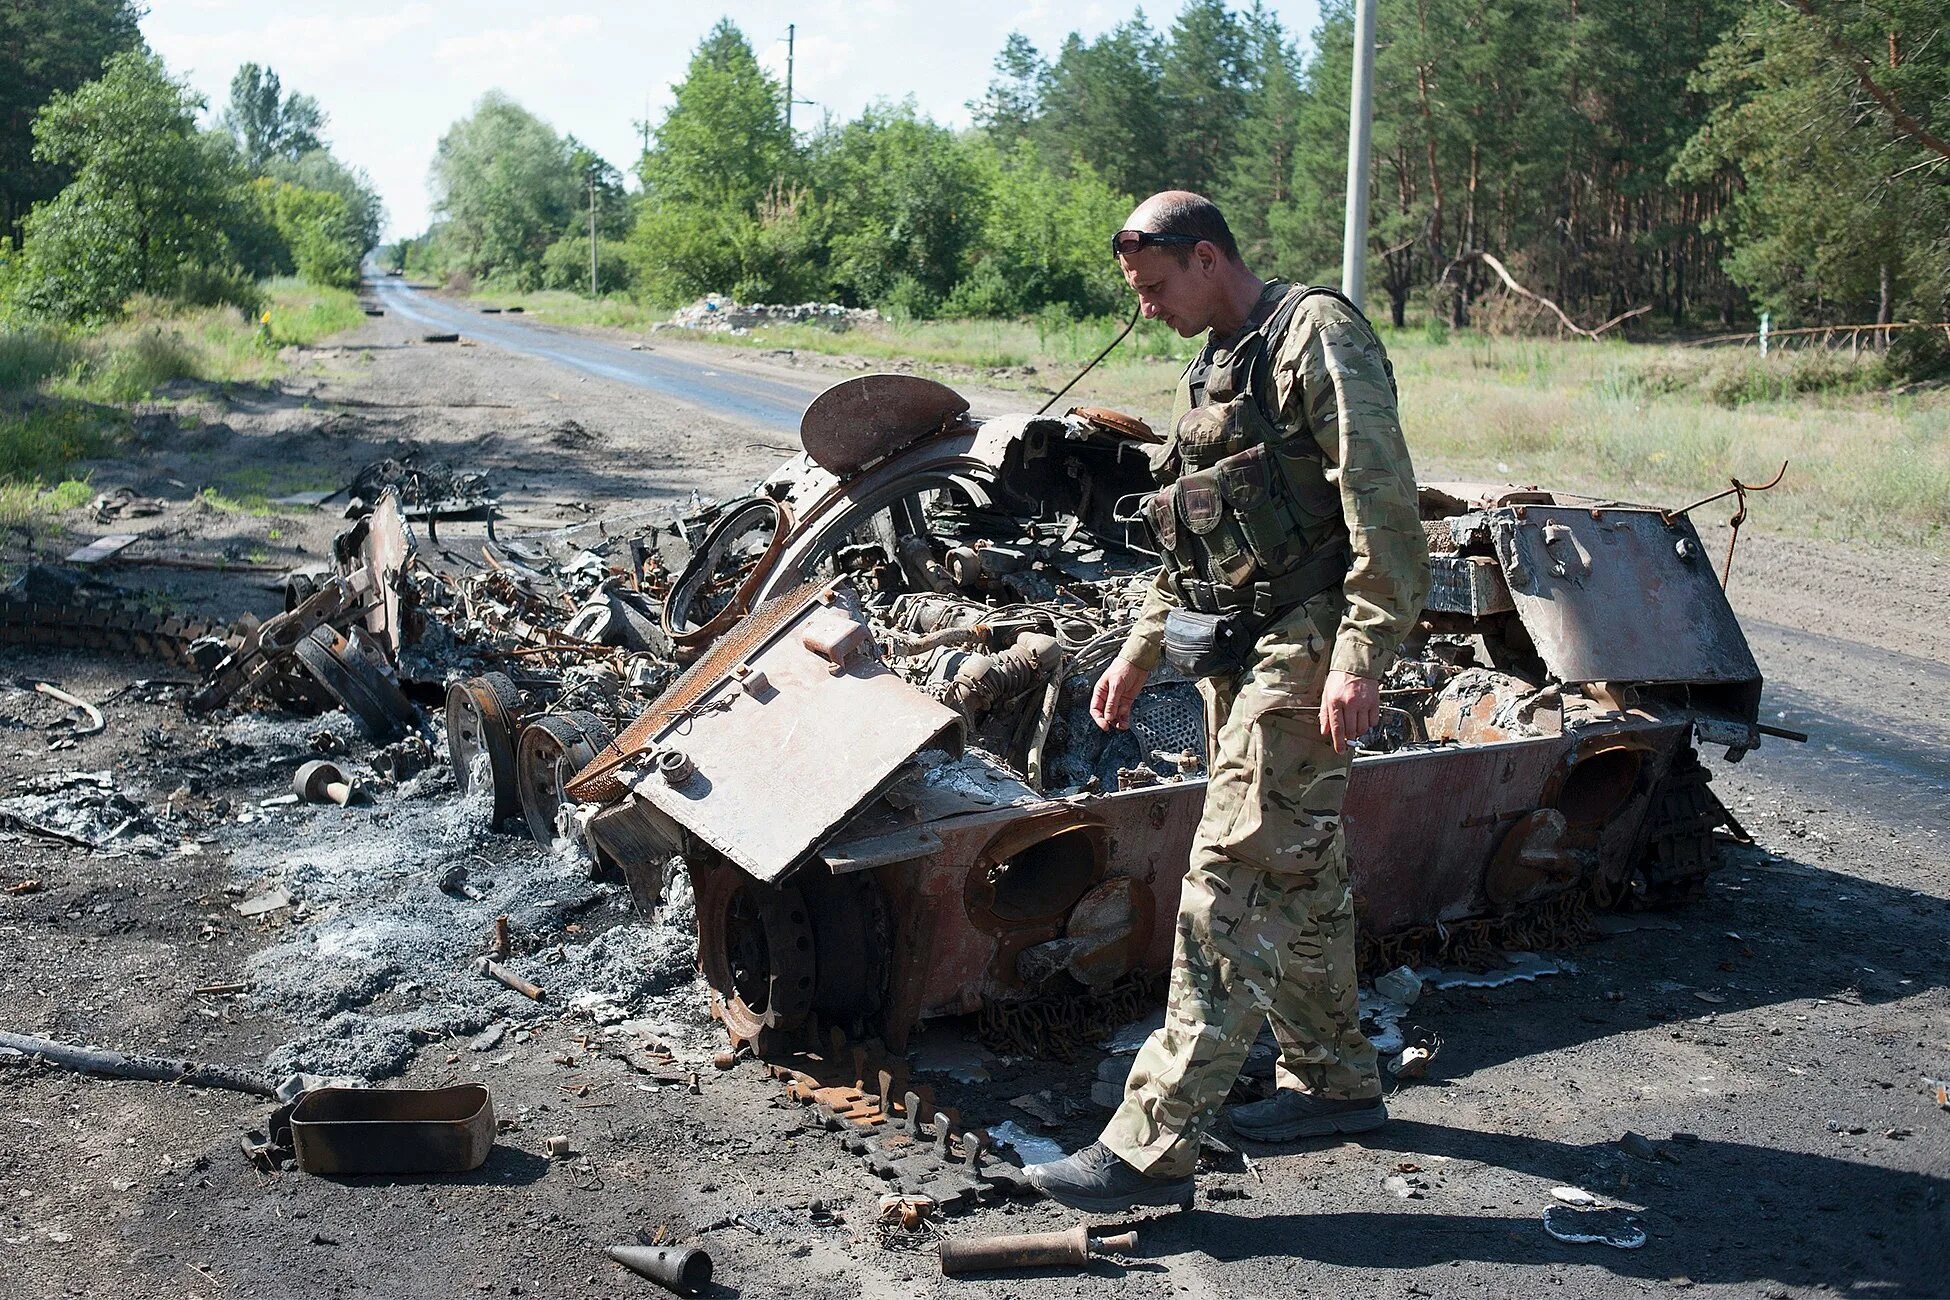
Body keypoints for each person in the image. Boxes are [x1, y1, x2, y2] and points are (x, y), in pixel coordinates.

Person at [1025, 192, 1430, 1213]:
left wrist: (1362, 651)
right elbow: (1189, 539)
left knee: (1231, 876)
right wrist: (1138, 649)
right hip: (1236, 654)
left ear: (1208, 258)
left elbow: (1381, 497)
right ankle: (1335, 1077)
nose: (1148, 310)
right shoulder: (1213, 364)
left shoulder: (1313, 335)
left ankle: (1151, 1142)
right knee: (1301, 872)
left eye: (1158, 288)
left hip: (1310, 643)